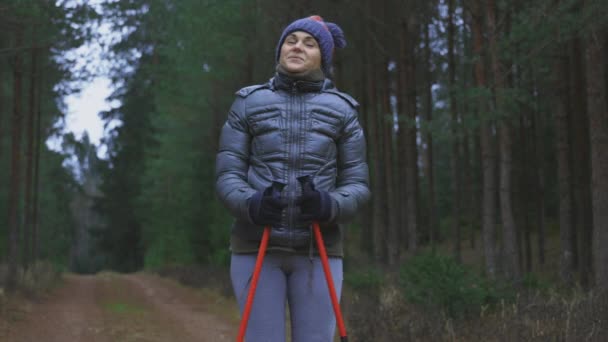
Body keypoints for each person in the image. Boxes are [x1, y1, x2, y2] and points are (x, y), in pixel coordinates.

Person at [215, 15, 370, 342]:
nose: (298, 46)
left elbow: (357, 184)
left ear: (323, 58)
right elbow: (228, 174)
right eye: (292, 40)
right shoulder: (248, 102)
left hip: (319, 250)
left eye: (309, 43)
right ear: (280, 49)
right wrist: (252, 203)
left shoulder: (344, 111)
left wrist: (329, 205)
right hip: (255, 246)